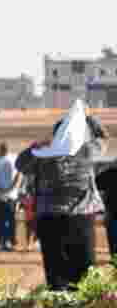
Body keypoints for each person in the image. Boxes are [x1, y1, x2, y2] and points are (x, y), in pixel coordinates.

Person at [16, 100, 107, 290]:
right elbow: (103, 138)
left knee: (55, 270)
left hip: (49, 217)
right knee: (84, 272)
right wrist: (89, 118)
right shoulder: (86, 151)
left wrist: (38, 145)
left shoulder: (42, 155)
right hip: (80, 217)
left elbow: (20, 164)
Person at [0, 142, 21, 252]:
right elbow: (18, 177)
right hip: (11, 196)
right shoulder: (14, 160)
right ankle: (11, 242)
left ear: (0, 149)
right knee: (11, 220)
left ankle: (2, 242)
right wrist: (11, 189)